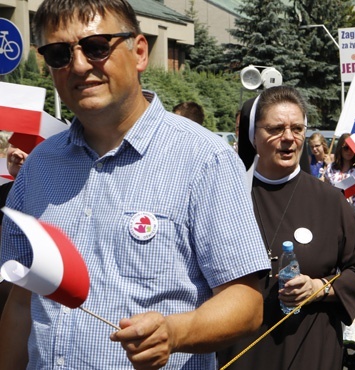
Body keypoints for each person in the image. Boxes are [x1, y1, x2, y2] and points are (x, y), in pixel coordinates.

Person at [0, 1, 271, 369]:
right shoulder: (38, 168)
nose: (79, 65)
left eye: (96, 46)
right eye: (59, 53)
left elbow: (246, 302)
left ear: (139, 51)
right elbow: (20, 300)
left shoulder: (204, 159)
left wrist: (175, 332)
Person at [220, 85, 355, 370]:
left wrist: (319, 288)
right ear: (254, 134)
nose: (289, 138)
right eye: (276, 129)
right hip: (241, 350)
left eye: (297, 128)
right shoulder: (226, 196)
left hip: (309, 349)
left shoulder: (330, 202)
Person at [0, 144, 28, 317]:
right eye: (14, 144)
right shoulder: (3, 191)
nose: (17, 153)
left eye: (27, 146)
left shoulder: (51, 201)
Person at [323, 133, 355, 210]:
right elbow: (325, 191)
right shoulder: (331, 168)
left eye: (352, 149)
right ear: (340, 149)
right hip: (336, 210)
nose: (349, 151)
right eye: (346, 148)